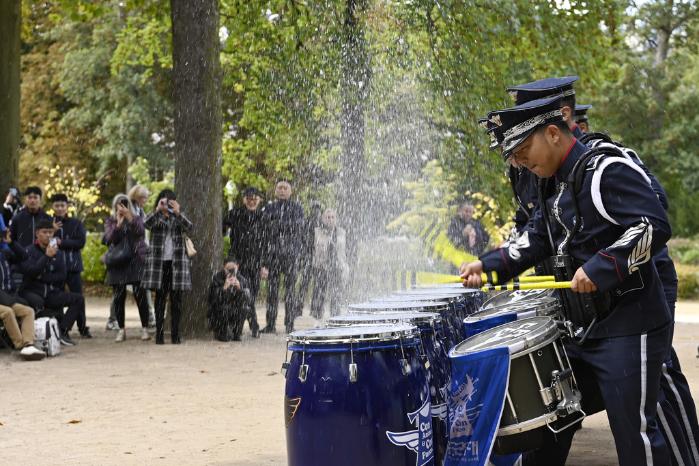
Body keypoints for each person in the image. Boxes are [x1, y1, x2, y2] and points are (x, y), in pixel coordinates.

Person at [462, 95, 673, 465]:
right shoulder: (550, 182)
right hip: (579, 328)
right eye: (515, 154)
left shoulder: (606, 168)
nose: (520, 160)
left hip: (629, 323)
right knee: (548, 423)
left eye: (525, 148)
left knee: (633, 433)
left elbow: (652, 224)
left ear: (554, 133)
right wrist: (489, 265)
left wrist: (601, 267)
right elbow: (538, 237)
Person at [20, 219, 85, 346]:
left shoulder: (59, 253)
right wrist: (47, 257)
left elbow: (62, 276)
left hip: (51, 293)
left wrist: (41, 276)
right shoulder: (28, 251)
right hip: (33, 293)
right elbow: (31, 272)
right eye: (45, 232)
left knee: (78, 299)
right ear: (37, 233)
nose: (48, 235)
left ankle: (62, 331)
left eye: (51, 232)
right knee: (38, 302)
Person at [141, 189, 193, 345]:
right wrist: (157, 210)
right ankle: (159, 334)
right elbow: (145, 224)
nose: (166, 204)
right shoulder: (155, 217)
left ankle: (176, 335)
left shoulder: (178, 217)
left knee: (177, 301)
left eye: (169, 201)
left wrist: (178, 212)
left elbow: (189, 227)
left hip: (177, 264)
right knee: (160, 300)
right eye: (163, 201)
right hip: (159, 264)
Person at [103, 194, 151, 342]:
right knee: (118, 296)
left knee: (140, 295)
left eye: (125, 204)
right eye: (119, 204)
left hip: (135, 260)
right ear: (115, 206)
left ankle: (145, 328)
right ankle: (121, 329)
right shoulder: (111, 221)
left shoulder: (136, 218)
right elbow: (110, 239)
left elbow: (141, 233)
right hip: (118, 262)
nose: (122, 207)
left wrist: (130, 218)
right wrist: (118, 224)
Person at [261, 180, 304, 334]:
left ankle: (290, 324)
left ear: (290, 191)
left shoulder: (297, 208)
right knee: (272, 292)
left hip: (291, 256)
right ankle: (270, 323)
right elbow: (265, 229)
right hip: (272, 255)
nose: (282, 190)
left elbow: (298, 227)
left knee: (290, 292)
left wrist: (277, 224)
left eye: (285, 188)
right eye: (279, 187)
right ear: (275, 190)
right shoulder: (269, 207)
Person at [223, 186, 265, 338]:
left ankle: (252, 324)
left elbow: (267, 242)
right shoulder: (234, 214)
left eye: (254, 199)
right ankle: (252, 325)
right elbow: (221, 226)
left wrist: (264, 264)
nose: (251, 201)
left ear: (259, 200)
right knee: (242, 292)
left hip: (256, 261)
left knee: (251, 294)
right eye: (249, 199)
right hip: (238, 261)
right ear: (244, 200)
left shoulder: (263, 216)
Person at [50, 193, 90, 338]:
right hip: (55, 268)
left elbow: (81, 242)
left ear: (67, 207)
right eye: (57, 206)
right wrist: (52, 232)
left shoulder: (76, 223)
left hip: (73, 266)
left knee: (78, 297)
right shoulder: (48, 222)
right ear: (52, 207)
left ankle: (83, 327)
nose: (60, 208)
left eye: (62, 205)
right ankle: (61, 328)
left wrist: (62, 242)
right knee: (58, 298)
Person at [0, 230, 45, 360]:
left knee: (28, 311)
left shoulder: (4, 254)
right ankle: (20, 346)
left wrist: (12, 242)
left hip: (6, 298)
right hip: (6, 302)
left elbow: (24, 256)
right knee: (8, 312)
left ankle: (29, 344)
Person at [310, 209, 348, 320]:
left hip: (337, 266)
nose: (330, 220)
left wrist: (345, 264)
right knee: (319, 293)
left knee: (336, 294)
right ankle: (317, 317)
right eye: (327, 217)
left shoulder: (342, 232)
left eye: (332, 217)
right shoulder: (317, 231)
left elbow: (346, 249)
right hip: (321, 266)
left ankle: (335, 317)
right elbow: (311, 249)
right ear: (323, 219)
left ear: (336, 219)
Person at [128, 184, 156, 329]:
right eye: (143, 197)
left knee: (142, 286)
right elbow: (137, 229)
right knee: (127, 286)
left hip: (142, 252)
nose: (145, 200)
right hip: (133, 254)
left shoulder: (140, 210)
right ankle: (113, 318)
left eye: (146, 197)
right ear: (137, 197)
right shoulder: (131, 209)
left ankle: (149, 315)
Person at [207, 257, 252, 341]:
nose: (231, 271)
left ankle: (237, 333)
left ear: (237, 267)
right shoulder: (217, 278)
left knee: (245, 307)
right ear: (224, 267)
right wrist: (224, 288)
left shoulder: (241, 278)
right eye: (228, 269)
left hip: (235, 309)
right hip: (219, 311)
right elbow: (213, 300)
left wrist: (240, 288)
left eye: (233, 269)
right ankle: (222, 333)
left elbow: (249, 300)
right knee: (224, 308)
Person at [297, 201, 322, 314]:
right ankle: (298, 307)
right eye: (314, 208)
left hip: (319, 257)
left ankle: (315, 309)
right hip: (308, 256)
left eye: (317, 208)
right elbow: (302, 239)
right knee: (304, 284)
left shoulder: (321, 223)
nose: (316, 211)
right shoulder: (306, 222)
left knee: (318, 284)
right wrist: (302, 256)